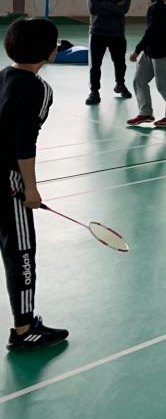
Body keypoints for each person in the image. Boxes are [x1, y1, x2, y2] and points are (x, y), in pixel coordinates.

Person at [0, 17, 69, 350]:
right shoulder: (39, 89)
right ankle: (25, 330)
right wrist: (30, 188)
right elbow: (24, 143)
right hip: (9, 180)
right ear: (47, 51)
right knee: (21, 254)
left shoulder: (2, 75)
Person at [127, 0, 166, 128]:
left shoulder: (157, 6)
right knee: (139, 80)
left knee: (164, 85)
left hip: (161, 52)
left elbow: (151, 31)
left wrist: (137, 51)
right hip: (150, 51)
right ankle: (145, 113)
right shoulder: (165, 0)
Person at [86, 0, 132, 105]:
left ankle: (120, 84)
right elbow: (93, 9)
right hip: (97, 32)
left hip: (117, 32)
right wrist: (114, 6)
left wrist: (103, 5)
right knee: (95, 65)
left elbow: (124, 9)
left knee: (120, 62)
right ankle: (94, 92)